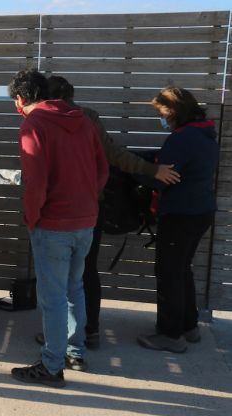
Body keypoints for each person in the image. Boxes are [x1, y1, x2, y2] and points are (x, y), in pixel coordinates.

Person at [37, 76, 181, 349]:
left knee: (57, 277)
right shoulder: (87, 118)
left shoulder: (42, 121)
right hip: (90, 209)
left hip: (56, 211)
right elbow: (113, 156)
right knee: (84, 272)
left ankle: (61, 334)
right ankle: (88, 331)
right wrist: (150, 171)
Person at [8, 69, 108, 388]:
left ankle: (52, 366)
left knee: (52, 296)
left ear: (21, 99)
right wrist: (88, 200)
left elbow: (35, 182)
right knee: (74, 288)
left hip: (53, 224)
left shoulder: (33, 124)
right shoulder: (83, 120)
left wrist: (32, 216)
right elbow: (102, 168)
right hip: (86, 220)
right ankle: (74, 351)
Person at [137, 87, 218, 353]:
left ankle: (171, 335)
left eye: (162, 113)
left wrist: (136, 170)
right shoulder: (205, 134)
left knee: (169, 273)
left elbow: (161, 176)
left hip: (180, 214)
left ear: (173, 112)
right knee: (182, 269)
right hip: (200, 211)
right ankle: (189, 326)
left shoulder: (183, 138)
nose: (161, 118)